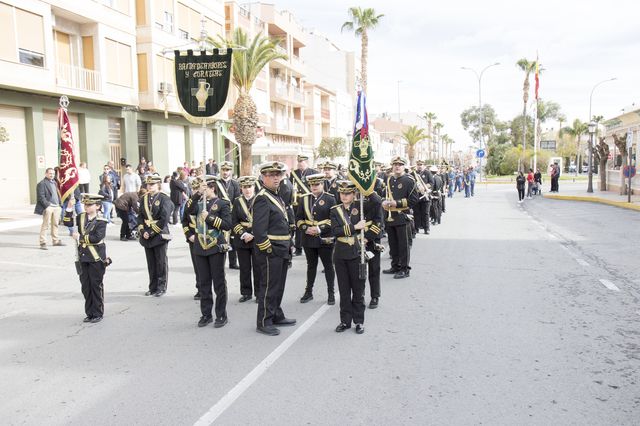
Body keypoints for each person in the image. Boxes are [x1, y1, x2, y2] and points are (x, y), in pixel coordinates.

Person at [252, 161, 296, 336]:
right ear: (264, 177)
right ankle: (264, 321)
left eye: (278, 174)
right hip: (271, 251)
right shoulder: (262, 198)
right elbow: (259, 230)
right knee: (269, 287)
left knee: (278, 286)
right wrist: (268, 250)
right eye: (272, 175)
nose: (276, 178)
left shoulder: (276, 195)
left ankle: (276, 314)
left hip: (282, 248)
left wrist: (289, 244)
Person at [186, 175, 232, 328]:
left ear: (212, 188)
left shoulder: (222, 204)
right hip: (200, 246)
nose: (203, 189)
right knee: (204, 282)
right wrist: (198, 193)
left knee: (218, 282)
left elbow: (227, 225)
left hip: (215, 246)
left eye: (205, 187)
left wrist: (210, 218)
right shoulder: (199, 203)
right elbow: (189, 210)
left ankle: (221, 315)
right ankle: (206, 314)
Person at [331, 181, 367, 334]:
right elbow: (335, 231)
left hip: (356, 253)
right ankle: (345, 321)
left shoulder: (360, 208)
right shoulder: (334, 210)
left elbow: (371, 224)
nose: (344, 196)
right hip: (340, 253)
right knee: (344, 291)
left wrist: (366, 237)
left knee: (358, 290)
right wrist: (355, 227)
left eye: (347, 193)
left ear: (353, 194)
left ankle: (359, 321)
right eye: (341, 193)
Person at [297, 173, 336, 305]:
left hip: (325, 237)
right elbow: (299, 219)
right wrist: (305, 228)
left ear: (322, 184)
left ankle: (331, 293)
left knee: (328, 266)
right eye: (312, 185)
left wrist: (320, 228)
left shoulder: (330, 199)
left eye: (317, 184)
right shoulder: (304, 199)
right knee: (311, 266)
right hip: (308, 237)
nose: (314, 187)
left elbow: (334, 219)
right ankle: (308, 292)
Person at [72, 193, 109, 323]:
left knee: (95, 285)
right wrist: (68, 208)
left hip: (96, 257)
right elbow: (67, 221)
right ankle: (90, 313)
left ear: (97, 206)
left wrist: (80, 238)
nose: (86, 207)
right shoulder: (81, 217)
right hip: (83, 257)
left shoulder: (101, 221)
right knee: (86, 286)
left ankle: (98, 312)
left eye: (89, 204)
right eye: (85, 204)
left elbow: (96, 238)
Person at [382, 157, 418, 279]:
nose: (397, 166)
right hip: (390, 216)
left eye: (400, 164)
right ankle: (395, 266)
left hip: (402, 215)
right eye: (395, 164)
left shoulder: (409, 180)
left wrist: (396, 203)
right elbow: (385, 195)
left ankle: (404, 269)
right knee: (393, 244)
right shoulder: (390, 179)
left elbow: (413, 200)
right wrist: (384, 202)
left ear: (404, 166)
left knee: (403, 245)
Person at [137, 175, 173, 297]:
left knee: (161, 262)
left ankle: (161, 287)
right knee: (151, 263)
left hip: (159, 234)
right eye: (148, 184)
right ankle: (152, 287)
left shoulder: (164, 199)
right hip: (146, 234)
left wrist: (151, 232)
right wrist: (143, 231)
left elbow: (164, 218)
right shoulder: (144, 199)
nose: (150, 186)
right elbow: (140, 216)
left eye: (152, 184)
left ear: (158, 185)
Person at [231, 176, 260, 303]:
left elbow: (263, 220)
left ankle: (259, 293)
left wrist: (253, 233)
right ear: (241, 188)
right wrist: (243, 234)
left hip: (257, 238)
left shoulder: (260, 200)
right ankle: (246, 292)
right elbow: (234, 221)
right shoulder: (237, 201)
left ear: (254, 187)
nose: (247, 190)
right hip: (242, 238)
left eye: (250, 187)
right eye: (245, 187)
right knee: (244, 267)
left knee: (258, 267)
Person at [291, 155, 318, 256]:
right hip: (297, 202)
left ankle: (314, 244)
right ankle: (298, 248)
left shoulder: (313, 173)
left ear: (307, 163)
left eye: (302, 162)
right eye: (299, 163)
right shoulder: (294, 173)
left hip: (310, 201)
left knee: (311, 223)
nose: (300, 164)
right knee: (299, 224)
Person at [182, 177, 204, 300]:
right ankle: (200, 288)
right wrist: (189, 235)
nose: (196, 191)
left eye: (198, 188)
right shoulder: (189, 203)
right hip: (194, 238)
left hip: (207, 237)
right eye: (194, 188)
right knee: (197, 265)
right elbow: (184, 221)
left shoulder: (208, 201)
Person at [360, 189, 383, 309]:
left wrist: (367, 238)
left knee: (374, 269)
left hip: (372, 239)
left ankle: (375, 296)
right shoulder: (353, 194)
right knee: (359, 270)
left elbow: (378, 223)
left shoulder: (374, 198)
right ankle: (360, 295)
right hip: (356, 238)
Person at [217, 161, 241, 269]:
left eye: (227, 170)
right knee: (220, 238)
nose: (225, 172)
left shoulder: (235, 184)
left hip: (231, 214)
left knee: (232, 239)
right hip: (220, 215)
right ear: (220, 170)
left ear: (231, 171)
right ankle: (220, 262)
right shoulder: (217, 183)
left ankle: (233, 262)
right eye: (223, 170)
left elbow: (237, 200)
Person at [35, 168, 65, 250]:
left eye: (53, 174)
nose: (52, 175)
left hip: (56, 207)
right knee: (45, 225)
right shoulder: (41, 184)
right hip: (49, 207)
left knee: (55, 224)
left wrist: (59, 204)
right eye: (50, 173)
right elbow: (41, 197)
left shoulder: (54, 183)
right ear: (46, 174)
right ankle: (43, 242)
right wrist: (47, 205)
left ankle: (55, 241)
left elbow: (57, 194)